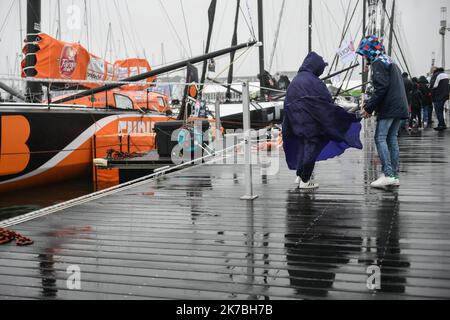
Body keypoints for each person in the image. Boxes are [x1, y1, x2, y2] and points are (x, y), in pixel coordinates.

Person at [282, 52, 363, 190]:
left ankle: (300, 175)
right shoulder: (314, 82)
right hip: (310, 123)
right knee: (312, 147)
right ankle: (305, 180)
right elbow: (326, 103)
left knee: (302, 146)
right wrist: (346, 116)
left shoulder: (295, 81)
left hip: (295, 122)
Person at [356, 35, 409, 188]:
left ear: (370, 51)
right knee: (391, 139)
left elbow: (381, 88)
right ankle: (393, 175)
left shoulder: (378, 63)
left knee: (380, 138)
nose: (364, 57)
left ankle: (387, 174)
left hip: (390, 107)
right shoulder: (390, 60)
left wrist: (368, 107)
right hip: (400, 106)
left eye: (365, 53)